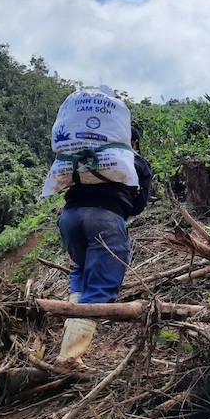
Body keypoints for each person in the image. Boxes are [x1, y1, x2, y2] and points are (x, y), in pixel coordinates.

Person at [53, 126, 152, 373]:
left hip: (69, 218)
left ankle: (69, 341)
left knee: (82, 270)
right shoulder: (135, 163)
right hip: (105, 220)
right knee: (100, 287)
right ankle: (69, 359)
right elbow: (139, 205)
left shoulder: (86, 155)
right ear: (134, 142)